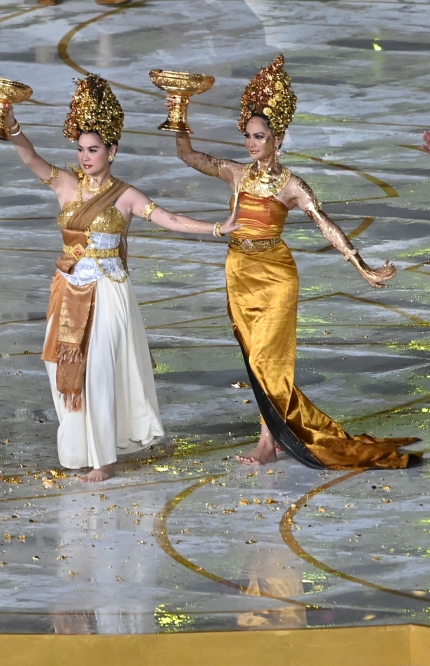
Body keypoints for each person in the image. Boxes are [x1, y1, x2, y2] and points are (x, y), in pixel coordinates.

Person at [174, 55, 420, 469]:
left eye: (259, 136)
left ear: (277, 139)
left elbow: (326, 224)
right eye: (248, 136)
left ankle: (268, 441)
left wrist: (361, 265)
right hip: (238, 270)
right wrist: (178, 111)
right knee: (253, 359)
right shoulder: (236, 173)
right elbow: (187, 156)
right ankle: (270, 438)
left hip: (275, 275)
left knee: (266, 360)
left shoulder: (291, 185)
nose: (251, 143)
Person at [3, 74, 240, 482]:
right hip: (69, 291)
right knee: (62, 373)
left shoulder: (126, 195)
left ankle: (105, 457)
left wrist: (217, 228)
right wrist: (10, 122)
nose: (84, 156)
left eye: (93, 149)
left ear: (111, 150)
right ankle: (82, 446)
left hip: (109, 294)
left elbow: (170, 220)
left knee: (98, 371)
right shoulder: (64, 185)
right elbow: (30, 158)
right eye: (80, 149)